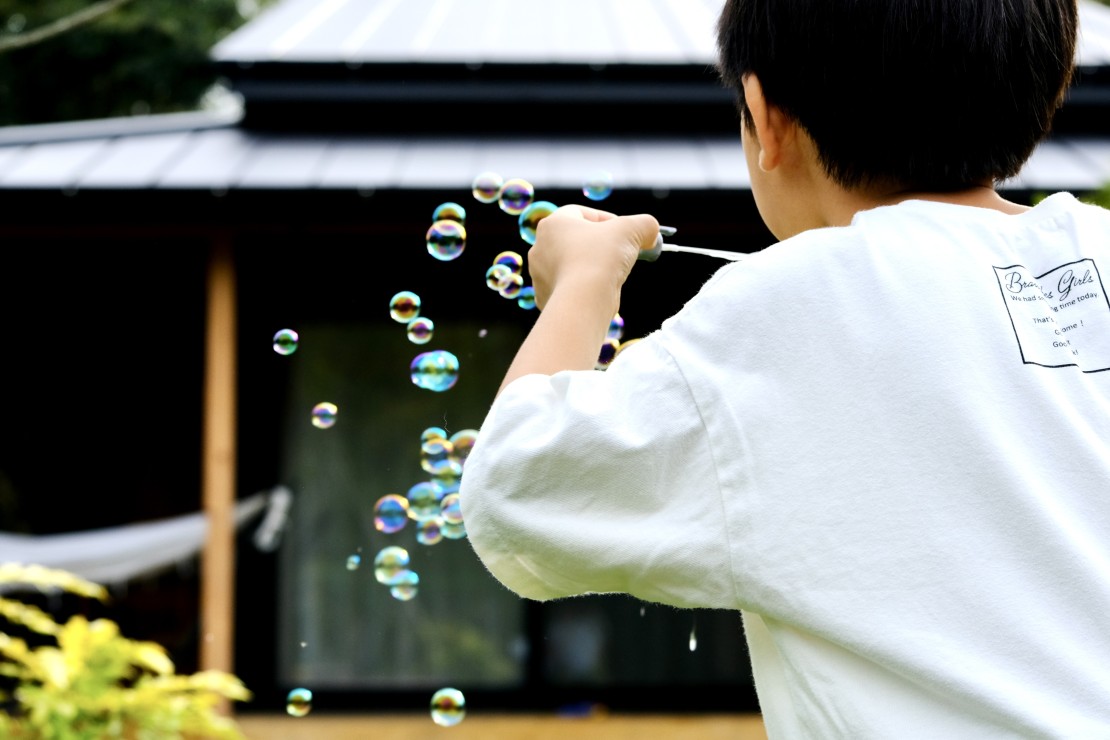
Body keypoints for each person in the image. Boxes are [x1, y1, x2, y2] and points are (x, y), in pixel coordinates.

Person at [458, 0, 1110, 736]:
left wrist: (580, 285)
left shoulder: (788, 298)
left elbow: (514, 490)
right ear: (1041, 91)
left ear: (766, 118)